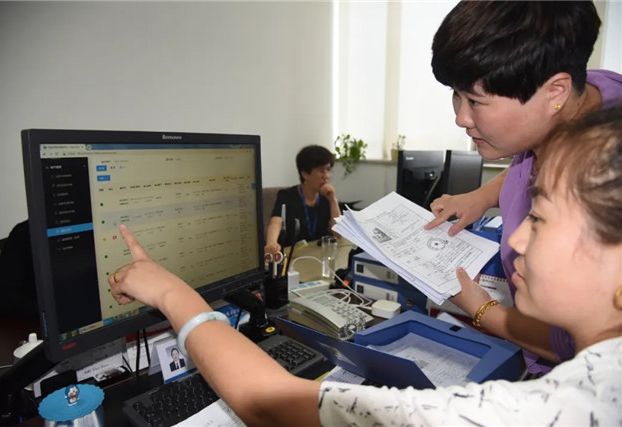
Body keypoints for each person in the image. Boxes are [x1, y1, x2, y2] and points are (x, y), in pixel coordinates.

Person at [108, 106, 622, 425]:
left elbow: (270, 403)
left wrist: (173, 293)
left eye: (538, 216)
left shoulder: (539, 411)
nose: (517, 237)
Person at [425, 0, 622, 372]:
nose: (461, 118)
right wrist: (482, 197)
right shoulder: (580, 93)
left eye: (475, 101)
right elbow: (530, 153)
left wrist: (481, 309)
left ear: (556, 92)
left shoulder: (607, 172)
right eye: (456, 94)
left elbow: (584, 341)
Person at [264, 145, 341, 256]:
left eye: (328, 170)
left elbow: (338, 235)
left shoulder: (326, 197)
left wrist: (333, 201)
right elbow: (276, 222)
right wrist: (271, 244)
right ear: (305, 174)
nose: (326, 176)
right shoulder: (287, 196)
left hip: (320, 255)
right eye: (321, 171)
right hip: (294, 256)